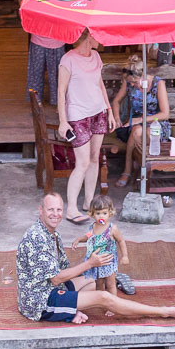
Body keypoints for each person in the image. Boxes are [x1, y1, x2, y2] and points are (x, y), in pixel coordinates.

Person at [16, 192, 175, 324]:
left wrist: (95, 265)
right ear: (41, 210)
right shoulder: (37, 237)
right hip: (40, 301)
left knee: (92, 281)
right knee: (103, 297)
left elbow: (61, 273)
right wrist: (90, 263)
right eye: (50, 210)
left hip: (49, 286)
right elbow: (57, 278)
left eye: (59, 209)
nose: (55, 214)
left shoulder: (52, 233)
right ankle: (164, 312)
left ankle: (77, 304)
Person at [57, 29, 118, 224]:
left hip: (98, 111)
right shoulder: (68, 60)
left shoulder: (97, 56)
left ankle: (89, 202)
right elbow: (60, 92)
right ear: (88, 37)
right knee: (82, 162)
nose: (101, 39)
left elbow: (100, 85)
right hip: (78, 115)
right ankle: (71, 209)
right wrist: (63, 121)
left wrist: (109, 110)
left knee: (94, 158)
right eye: (97, 35)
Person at [110, 53, 171, 187]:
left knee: (149, 132)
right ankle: (130, 169)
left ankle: (142, 168)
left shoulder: (158, 84)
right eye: (131, 82)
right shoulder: (129, 83)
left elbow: (165, 114)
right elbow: (116, 101)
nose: (133, 84)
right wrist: (116, 117)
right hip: (135, 124)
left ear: (143, 76)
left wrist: (141, 119)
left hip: (157, 122)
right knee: (137, 131)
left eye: (135, 82)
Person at [70, 195, 129, 298]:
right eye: (98, 213)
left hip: (108, 261)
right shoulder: (93, 226)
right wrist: (79, 239)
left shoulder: (112, 229)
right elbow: (89, 237)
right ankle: (101, 300)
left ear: (110, 213)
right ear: (92, 214)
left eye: (104, 213)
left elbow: (121, 241)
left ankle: (113, 304)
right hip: (96, 261)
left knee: (110, 284)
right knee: (99, 284)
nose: (101, 216)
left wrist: (125, 256)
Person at [24, 0, 65, 105]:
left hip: (57, 39)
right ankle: (35, 102)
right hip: (38, 39)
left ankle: (57, 101)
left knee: (57, 74)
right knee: (36, 73)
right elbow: (26, 11)